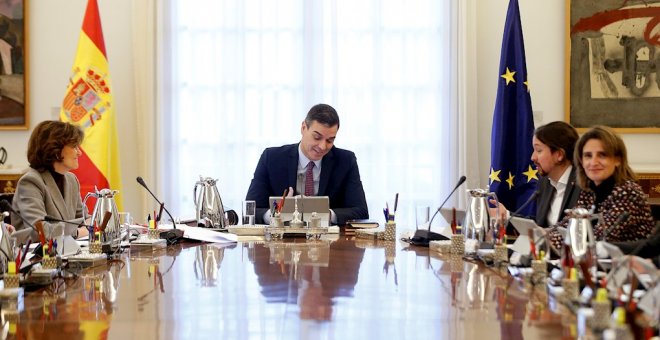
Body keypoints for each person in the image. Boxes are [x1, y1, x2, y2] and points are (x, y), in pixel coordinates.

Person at [245, 103, 368, 225]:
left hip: (327, 242)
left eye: (330, 140)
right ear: (303, 128)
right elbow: (250, 210)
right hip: (281, 241)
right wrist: (278, 213)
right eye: (316, 137)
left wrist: (326, 214)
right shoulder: (271, 158)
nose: (322, 146)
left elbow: (361, 212)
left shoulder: (345, 161)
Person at [548, 125, 654, 250]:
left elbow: (600, 239)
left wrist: (550, 241)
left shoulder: (627, 192)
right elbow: (565, 228)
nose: (593, 162)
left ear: (618, 160)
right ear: (581, 161)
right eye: (588, 156)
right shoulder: (589, 191)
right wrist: (542, 236)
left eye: (602, 155)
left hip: (629, 265)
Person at [493, 121, 581, 228]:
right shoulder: (545, 182)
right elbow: (540, 224)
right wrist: (507, 215)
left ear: (559, 155)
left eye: (539, 150)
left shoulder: (582, 186)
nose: (533, 157)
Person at [11, 120, 86, 240]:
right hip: (36, 256)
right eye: (74, 146)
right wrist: (76, 232)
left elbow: (85, 219)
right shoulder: (31, 181)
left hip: (67, 253)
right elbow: (39, 230)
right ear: (55, 149)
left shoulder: (71, 180)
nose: (79, 152)